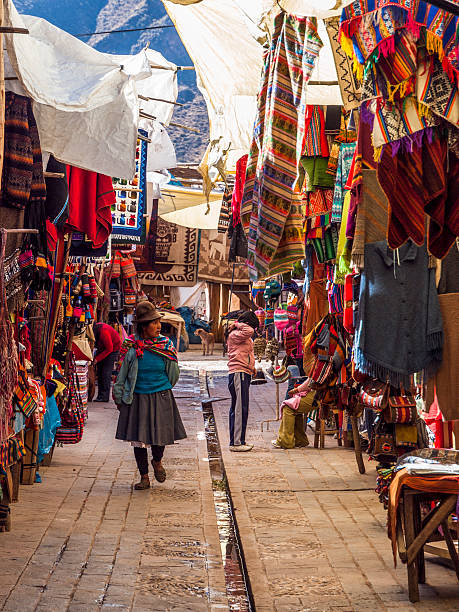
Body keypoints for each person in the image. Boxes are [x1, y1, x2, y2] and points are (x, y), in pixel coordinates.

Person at [113, 302, 187, 490]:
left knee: (159, 437)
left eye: (158, 322)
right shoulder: (131, 345)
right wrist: (119, 396)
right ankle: (144, 476)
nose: (158, 326)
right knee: (139, 440)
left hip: (161, 395)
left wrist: (163, 387)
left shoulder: (165, 345)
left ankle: (157, 461)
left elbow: (173, 372)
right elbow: (122, 373)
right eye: (153, 323)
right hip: (137, 397)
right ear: (143, 327)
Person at [226, 310, 259, 452]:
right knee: (239, 408)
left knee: (242, 407)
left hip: (244, 373)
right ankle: (236, 443)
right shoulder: (235, 334)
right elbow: (249, 330)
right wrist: (238, 324)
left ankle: (240, 440)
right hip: (238, 373)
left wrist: (252, 367)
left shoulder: (241, 336)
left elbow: (246, 353)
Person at [93, 322, 121, 402]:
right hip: (104, 349)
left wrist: (97, 359)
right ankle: (100, 395)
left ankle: (104, 396)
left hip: (113, 350)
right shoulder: (98, 329)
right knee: (100, 371)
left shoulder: (103, 332)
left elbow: (109, 349)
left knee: (105, 372)